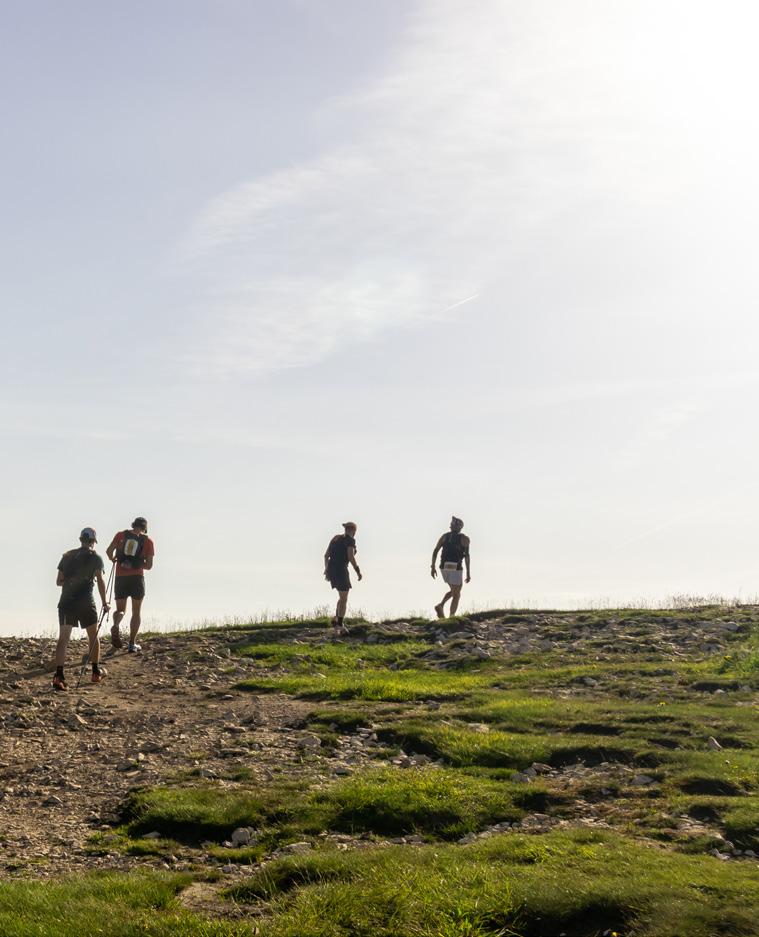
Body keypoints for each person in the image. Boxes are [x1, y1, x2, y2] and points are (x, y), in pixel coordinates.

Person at [53, 527, 110, 691]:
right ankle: (95, 672)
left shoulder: (67, 556)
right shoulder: (96, 558)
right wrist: (105, 602)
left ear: (80, 540)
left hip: (66, 602)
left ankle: (59, 676)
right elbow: (100, 581)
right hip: (86, 602)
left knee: (63, 639)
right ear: (93, 542)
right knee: (93, 636)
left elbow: (58, 581)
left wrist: (71, 581)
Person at [106, 517, 155, 653]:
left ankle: (116, 624)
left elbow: (108, 551)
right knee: (136, 611)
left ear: (133, 525)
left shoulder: (120, 535)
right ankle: (132, 643)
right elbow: (149, 566)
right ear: (145, 528)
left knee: (120, 609)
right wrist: (137, 565)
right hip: (137, 578)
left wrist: (114, 559)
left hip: (120, 577)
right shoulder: (148, 541)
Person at [324, 521, 362, 633]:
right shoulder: (350, 540)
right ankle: (339, 625)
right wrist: (358, 571)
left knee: (342, 596)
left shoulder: (335, 538)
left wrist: (327, 570)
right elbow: (350, 556)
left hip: (332, 569)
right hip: (341, 570)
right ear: (354, 531)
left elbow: (326, 556)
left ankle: (336, 619)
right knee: (344, 598)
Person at [431, 516, 471, 618]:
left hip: (443, 567)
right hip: (455, 567)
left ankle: (441, 605)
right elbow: (467, 556)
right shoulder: (464, 539)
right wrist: (468, 573)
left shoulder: (444, 536)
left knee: (454, 591)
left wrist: (433, 567)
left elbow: (435, 551)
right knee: (457, 594)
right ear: (460, 527)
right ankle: (451, 616)